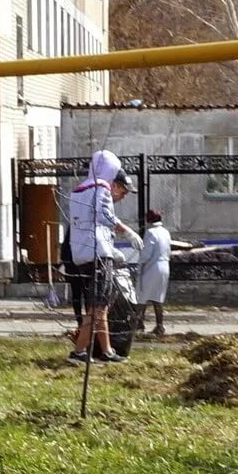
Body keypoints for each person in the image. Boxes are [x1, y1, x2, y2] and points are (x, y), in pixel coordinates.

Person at [66, 150, 137, 365]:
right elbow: (104, 215)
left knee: (101, 305)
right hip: (99, 254)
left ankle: (106, 351)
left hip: (82, 254)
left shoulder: (79, 191)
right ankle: (79, 352)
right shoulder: (101, 189)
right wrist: (126, 231)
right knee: (97, 307)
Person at [136, 209, 171, 336]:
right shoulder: (166, 232)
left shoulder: (150, 232)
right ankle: (160, 326)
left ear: (149, 220)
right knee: (158, 297)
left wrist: (139, 263)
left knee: (142, 295)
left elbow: (147, 254)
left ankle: (139, 323)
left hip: (153, 267)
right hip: (165, 266)